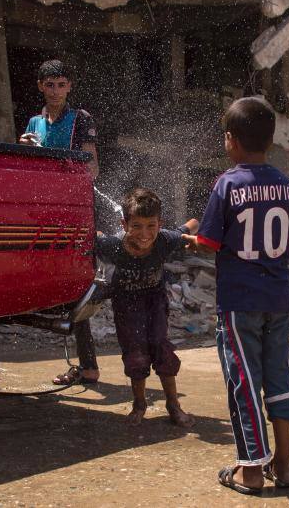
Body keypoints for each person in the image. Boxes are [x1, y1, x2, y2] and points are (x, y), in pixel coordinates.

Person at [183, 97, 289, 495]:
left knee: (244, 382)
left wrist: (191, 239)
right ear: (270, 141)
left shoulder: (227, 184)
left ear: (230, 140)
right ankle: (285, 465)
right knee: (279, 381)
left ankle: (251, 469)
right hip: (278, 299)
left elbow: (208, 242)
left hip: (239, 302)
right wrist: (272, 259)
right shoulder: (286, 186)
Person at [19, 59, 101, 385]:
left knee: (78, 286)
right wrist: (22, 150)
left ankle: (88, 365)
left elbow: (91, 168)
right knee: (64, 288)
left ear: (69, 87)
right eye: (49, 85)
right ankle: (86, 365)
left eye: (61, 85)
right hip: (44, 214)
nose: (55, 91)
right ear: (40, 86)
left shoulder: (81, 119)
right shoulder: (34, 123)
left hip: (74, 214)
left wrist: (62, 180)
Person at [94, 187, 198, 427]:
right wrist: (96, 236)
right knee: (135, 354)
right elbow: (94, 238)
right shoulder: (113, 246)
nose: (144, 234)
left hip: (155, 302)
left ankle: (173, 405)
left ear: (160, 224)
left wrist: (194, 238)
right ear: (124, 224)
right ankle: (139, 404)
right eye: (137, 226)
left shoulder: (165, 240)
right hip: (125, 304)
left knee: (162, 349)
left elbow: (192, 224)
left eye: (151, 225)